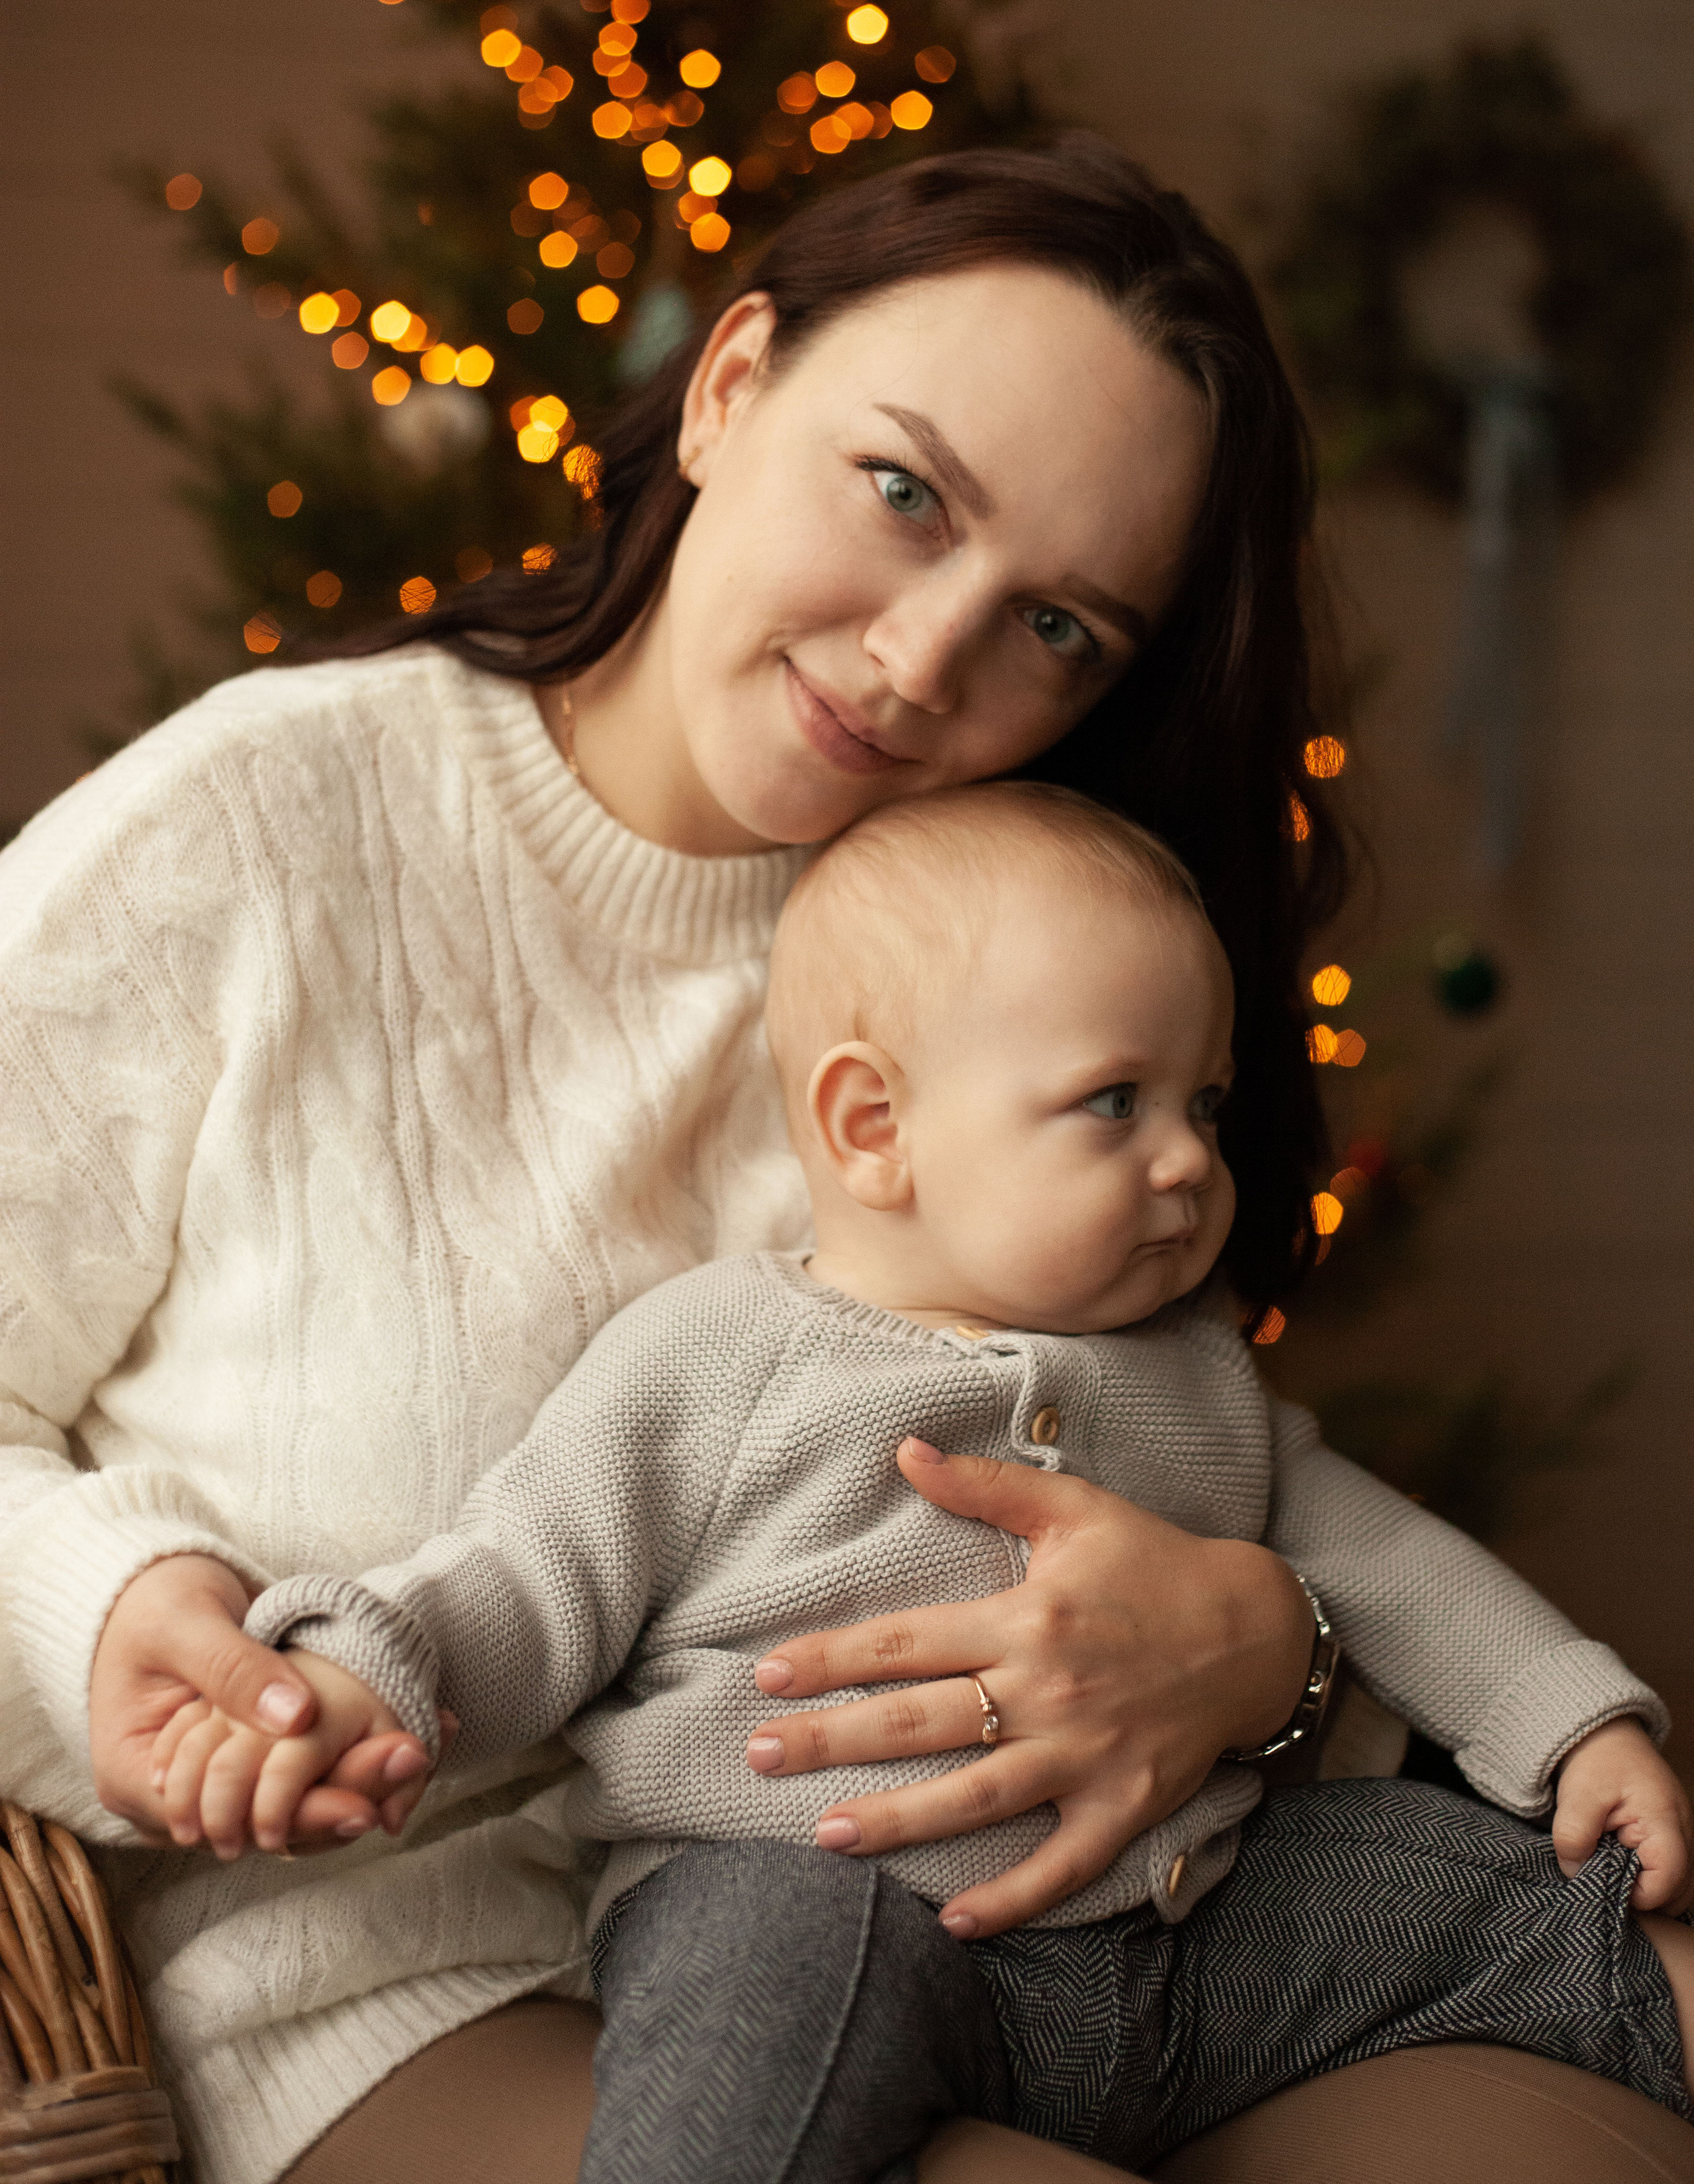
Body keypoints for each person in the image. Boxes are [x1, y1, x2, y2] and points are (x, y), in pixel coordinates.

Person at [0, 134, 1640, 2184]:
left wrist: (1267, 1657)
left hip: (1056, 1956)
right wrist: (105, 1598)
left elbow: (1191, 1454)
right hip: (369, 1992)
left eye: (1057, 625)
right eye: (904, 492)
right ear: (730, 385)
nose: (926, 657)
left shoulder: (1027, 954)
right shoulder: (264, 830)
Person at [146, 782, 1694, 2181]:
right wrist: (361, 1684)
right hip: (839, 1907)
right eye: (1115, 1102)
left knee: (1504, 1892)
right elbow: (527, 1575)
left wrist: (1570, 1720)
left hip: (1191, 1934)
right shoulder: (721, 1353)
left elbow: (1386, 1562)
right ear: (872, 1128)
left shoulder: (1195, 1370)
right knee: (751, 1982)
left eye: (1204, 1106)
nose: (1186, 1164)